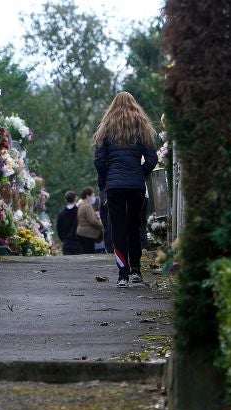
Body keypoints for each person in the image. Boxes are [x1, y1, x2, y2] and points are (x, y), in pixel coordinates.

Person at [93, 92, 157, 288]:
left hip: (114, 186)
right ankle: (136, 270)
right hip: (136, 186)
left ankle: (123, 274)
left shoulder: (106, 128)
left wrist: (105, 181)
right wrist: (140, 173)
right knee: (134, 226)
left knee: (118, 228)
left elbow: (99, 161)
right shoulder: (142, 126)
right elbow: (152, 159)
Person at [76, 187, 103, 254]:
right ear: (87, 196)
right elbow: (92, 221)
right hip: (88, 234)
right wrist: (102, 225)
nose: (94, 197)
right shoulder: (87, 206)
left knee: (84, 252)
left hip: (82, 233)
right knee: (89, 252)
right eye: (93, 195)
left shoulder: (81, 205)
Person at [56, 191, 82, 255]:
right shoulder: (79, 212)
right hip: (78, 242)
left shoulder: (61, 214)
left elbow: (59, 228)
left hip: (66, 243)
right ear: (75, 199)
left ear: (66, 200)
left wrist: (63, 239)